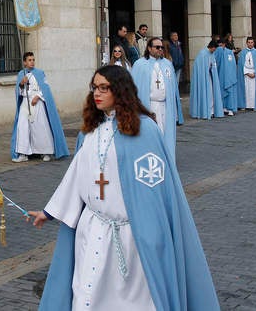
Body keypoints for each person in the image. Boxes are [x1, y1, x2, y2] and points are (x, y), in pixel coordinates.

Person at [28, 65, 220, 311]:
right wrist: (49, 212)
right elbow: (75, 177)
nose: (97, 93)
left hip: (131, 237)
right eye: (94, 87)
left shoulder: (145, 131)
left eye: (104, 88)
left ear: (120, 91)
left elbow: (156, 192)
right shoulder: (89, 132)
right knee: (86, 295)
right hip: (93, 229)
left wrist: (153, 235)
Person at [11, 52, 70, 163]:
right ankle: (23, 153)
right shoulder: (21, 74)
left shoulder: (40, 73)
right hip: (25, 102)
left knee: (40, 127)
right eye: (29, 60)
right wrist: (21, 84)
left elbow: (45, 88)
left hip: (37, 103)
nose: (32, 62)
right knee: (22, 127)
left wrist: (37, 97)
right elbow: (18, 91)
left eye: (33, 59)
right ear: (24, 62)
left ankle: (45, 152)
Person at [131, 37, 183, 160]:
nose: (160, 49)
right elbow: (133, 88)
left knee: (166, 132)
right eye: (157, 47)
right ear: (149, 48)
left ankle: (166, 158)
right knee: (152, 133)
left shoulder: (167, 64)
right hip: (149, 106)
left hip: (166, 105)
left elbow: (173, 87)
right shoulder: (140, 64)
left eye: (162, 47)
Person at [190, 40, 224, 119]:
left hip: (210, 77)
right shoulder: (202, 54)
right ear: (211, 47)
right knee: (206, 93)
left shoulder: (211, 54)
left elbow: (213, 65)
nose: (214, 51)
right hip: (203, 78)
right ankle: (205, 111)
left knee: (211, 94)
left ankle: (211, 111)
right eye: (214, 49)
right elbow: (199, 68)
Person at [237, 37, 256, 111]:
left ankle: (254, 105)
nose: (250, 44)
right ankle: (246, 105)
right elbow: (241, 65)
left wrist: (255, 73)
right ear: (246, 43)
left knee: (254, 90)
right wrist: (247, 73)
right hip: (246, 74)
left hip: (254, 74)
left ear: (253, 43)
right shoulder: (242, 53)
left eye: (252, 42)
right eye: (249, 42)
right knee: (246, 90)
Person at [214, 39, 238, 116]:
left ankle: (230, 108)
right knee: (221, 91)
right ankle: (223, 107)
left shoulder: (229, 52)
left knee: (230, 92)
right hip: (221, 75)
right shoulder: (217, 52)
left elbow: (233, 64)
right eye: (219, 46)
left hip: (229, 76)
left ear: (224, 44)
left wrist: (232, 75)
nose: (220, 47)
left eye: (221, 45)